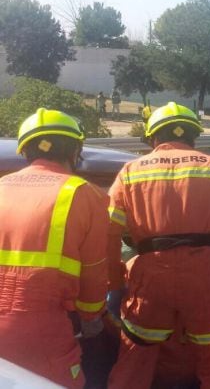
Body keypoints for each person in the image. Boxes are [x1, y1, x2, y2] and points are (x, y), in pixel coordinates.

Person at [107, 102, 210, 389]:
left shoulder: (130, 171)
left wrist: (115, 284)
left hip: (150, 279)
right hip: (207, 278)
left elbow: (108, 232)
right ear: (194, 136)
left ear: (153, 137)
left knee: (133, 365)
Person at [0, 108, 109, 387]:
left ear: (25, 151)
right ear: (75, 151)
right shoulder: (85, 194)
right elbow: (95, 271)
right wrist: (91, 318)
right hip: (41, 330)